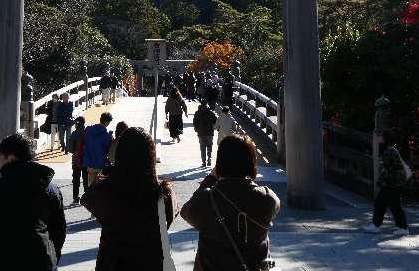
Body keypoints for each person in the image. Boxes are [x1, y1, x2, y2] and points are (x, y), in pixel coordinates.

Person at [0, 133, 66, 271]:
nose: (0, 162)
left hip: (0, 262)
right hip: (41, 261)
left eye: (1, 157)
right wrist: (52, 256)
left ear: (10, 157)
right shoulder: (51, 189)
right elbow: (58, 231)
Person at [81, 127, 179, 270]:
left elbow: (87, 199)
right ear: (150, 156)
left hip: (114, 263)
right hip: (151, 262)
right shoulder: (164, 193)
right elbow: (171, 216)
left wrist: (110, 171)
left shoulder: (108, 191)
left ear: (120, 155)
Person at [181, 135, 280, 271]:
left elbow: (185, 212)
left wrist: (211, 177)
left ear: (220, 163)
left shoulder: (206, 199)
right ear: (252, 163)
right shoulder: (267, 198)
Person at [363, 129, 409, 236]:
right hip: (394, 183)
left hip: (392, 183)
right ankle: (399, 227)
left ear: (384, 138)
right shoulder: (390, 149)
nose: (378, 138)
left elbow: (388, 169)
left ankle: (378, 226)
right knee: (389, 204)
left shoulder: (389, 151)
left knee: (385, 204)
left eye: (380, 136)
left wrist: (381, 181)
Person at [82, 112, 113, 187]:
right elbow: (109, 150)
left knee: (91, 186)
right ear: (107, 122)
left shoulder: (88, 130)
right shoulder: (107, 136)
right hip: (101, 164)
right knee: (100, 188)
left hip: (89, 163)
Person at [69, 116, 88, 204]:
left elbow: (70, 149)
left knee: (76, 179)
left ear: (77, 123)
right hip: (86, 159)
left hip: (76, 159)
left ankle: (76, 198)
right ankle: (87, 197)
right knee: (85, 179)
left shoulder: (74, 134)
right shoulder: (88, 133)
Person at [193, 103, 218, 168]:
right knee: (209, 146)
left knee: (202, 147)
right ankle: (209, 158)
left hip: (201, 133)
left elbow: (195, 122)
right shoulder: (211, 113)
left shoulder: (197, 113)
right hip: (210, 132)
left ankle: (203, 162)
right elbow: (216, 121)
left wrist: (196, 129)